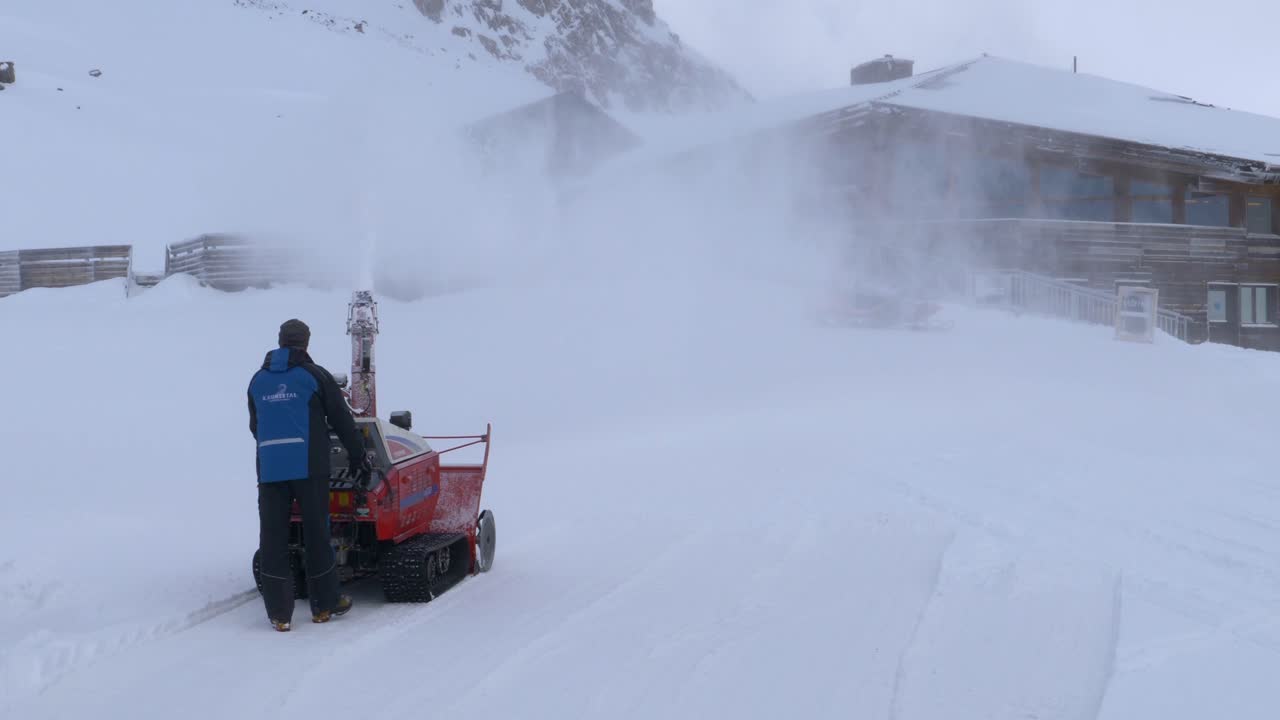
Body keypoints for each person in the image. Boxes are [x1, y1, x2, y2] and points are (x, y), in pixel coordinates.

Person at [248, 318, 372, 632]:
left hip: (271, 469)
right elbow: (342, 420)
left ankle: (279, 614)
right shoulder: (315, 376)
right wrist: (358, 457)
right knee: (317, 533)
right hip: (309, 467)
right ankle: (325, 606)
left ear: (280, 342)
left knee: (272, 537)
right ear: (305, 343)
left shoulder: (257, 380)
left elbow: (255, 426)